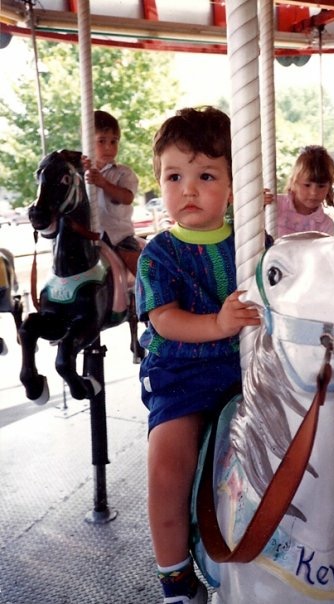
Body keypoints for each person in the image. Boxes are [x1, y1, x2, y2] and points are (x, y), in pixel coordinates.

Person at [135, 106, 261, 604]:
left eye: (206, 175)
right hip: (182, 376)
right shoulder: (159, 254)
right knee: (167, 464)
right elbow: (163, 319)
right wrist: (218, 324)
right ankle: (175, 575)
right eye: (174, 175)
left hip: (246, 371)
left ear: (234, 184)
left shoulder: (252, 244)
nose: (188, 189)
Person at [82, 110, 141, 275]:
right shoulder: (81, 173)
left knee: (139, 268)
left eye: (114, 141)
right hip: (90, 235)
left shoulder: (123, 173)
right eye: (101, 141)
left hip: (119, 236)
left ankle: (150, 294)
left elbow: (127, 197)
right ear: (88, 143)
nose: (109, 147)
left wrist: (103, 183)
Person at [268, 145, 334, 238]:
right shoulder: (274, 205)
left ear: (329, 187)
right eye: (307, 185)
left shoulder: (325, 225)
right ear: (294, 182)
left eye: (321, 186)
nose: (314, 192)